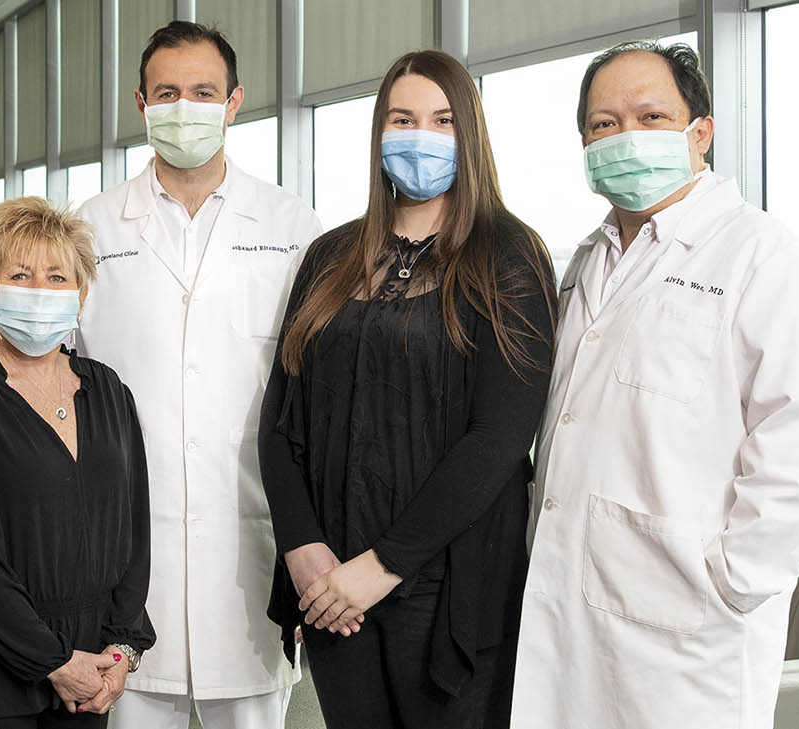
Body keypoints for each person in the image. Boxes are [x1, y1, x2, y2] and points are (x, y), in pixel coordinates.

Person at [509, 41, 799, 729]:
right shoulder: (587, 260)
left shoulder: (763, 255)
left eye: (651, 115)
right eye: (604, 124)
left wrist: (731, 581)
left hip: (688, 636)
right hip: (571, 609)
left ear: (702, 132)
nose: (625, 136)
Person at [259, 49, 557, 729]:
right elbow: (279, 423)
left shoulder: (508, 255)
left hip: (447, 588)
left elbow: (501, 438)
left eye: (442, 119)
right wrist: (304, 552)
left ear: (470, 135)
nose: (421, 134)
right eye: (403, 118)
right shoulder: (330, 258)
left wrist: (384, 564)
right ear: (378, 132)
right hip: (334, 589)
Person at [77, 20, 323, 729]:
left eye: (203, 92)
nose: (184, 108)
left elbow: (317, 402)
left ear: (235, 100)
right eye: (167, 92)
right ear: (140, 103)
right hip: (124, 560)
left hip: (250, 549)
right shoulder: (93, 228)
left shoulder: (292, 224)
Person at [0, 197, 155, 728]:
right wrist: (53, 661)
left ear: (81, 294)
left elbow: (134, 533)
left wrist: (122, 647)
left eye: (57, 277)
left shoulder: (109, 390)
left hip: (93, 665)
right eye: (20, 275)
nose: (40, 291)